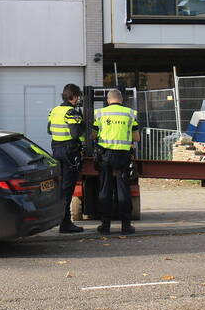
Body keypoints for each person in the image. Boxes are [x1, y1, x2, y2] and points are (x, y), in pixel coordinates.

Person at [93, 89, 140, 235]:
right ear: (121, 100)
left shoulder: (100, 113)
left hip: (105, 156)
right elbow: (137, 137)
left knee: (105, 189)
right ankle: (126, 225)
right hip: (123, 156)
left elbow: (93, 135)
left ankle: (105, 225)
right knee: (123, 189)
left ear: (108, 100)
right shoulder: (131, 114)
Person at [47, 83, 85, 233]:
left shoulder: (54, 111)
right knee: (67, 188)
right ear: (74, 96)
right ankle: (65, 223)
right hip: (70, 152)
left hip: (56, 150)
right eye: (78, 97)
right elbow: (76, 134)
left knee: (61, 187)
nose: (78, 100)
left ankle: (61, 220)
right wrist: (83, 125)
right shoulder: (72, 112)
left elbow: (49, 130)